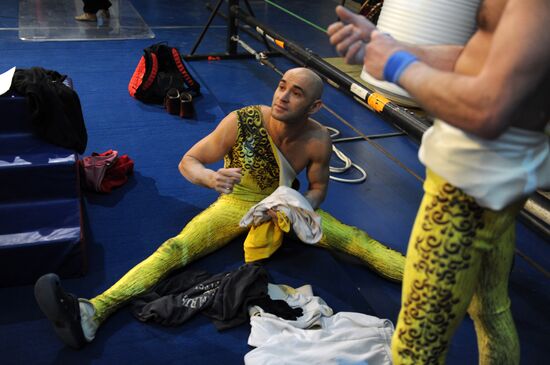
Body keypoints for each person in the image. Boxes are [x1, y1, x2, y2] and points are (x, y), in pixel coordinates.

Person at [34, 67, 405, 349]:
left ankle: (438, 279)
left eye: (296, 93)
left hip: (284, 208)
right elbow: (189, 160)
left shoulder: (318, 139)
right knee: (175, 250)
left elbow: (320, 186)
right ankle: (93, 311)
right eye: (281, 87)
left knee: (358, 241)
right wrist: (210, 179)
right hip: (235, 203)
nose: (283, 97)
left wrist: (303, 206)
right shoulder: (242, 121)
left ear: (315, 105)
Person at [328, 1, 550, 364]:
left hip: (464, 195)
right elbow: (485, 57)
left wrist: (397, 65)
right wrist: (392, 45)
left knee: (416, 348)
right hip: (496, 185)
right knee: (490, 310)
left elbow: (486, 109)